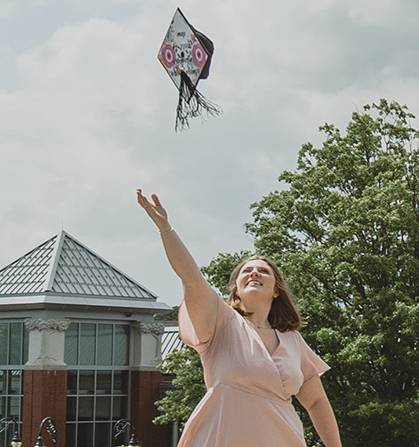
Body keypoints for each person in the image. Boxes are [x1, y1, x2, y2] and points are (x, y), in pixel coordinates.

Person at [136, 189, 343, 447]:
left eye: (263, 271)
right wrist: (165, 228)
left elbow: (316, 401)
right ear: (236, 288)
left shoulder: (293, 340)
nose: (254, 273)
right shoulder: (221, 322)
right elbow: (191, 278)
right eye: (247, 270)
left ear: (276, 290)